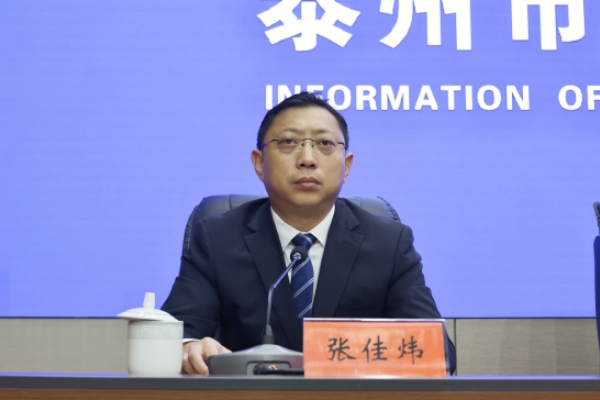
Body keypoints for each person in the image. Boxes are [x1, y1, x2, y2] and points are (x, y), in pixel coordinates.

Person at [161, 91, 456, 375]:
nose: (307, 158)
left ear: (346, 166)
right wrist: (189, 347)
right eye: (289, 142)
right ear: (259, 163)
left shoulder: (388, 244)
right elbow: (175, 335)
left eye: (325, 143)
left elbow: (439, 352)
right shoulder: (218, 238)